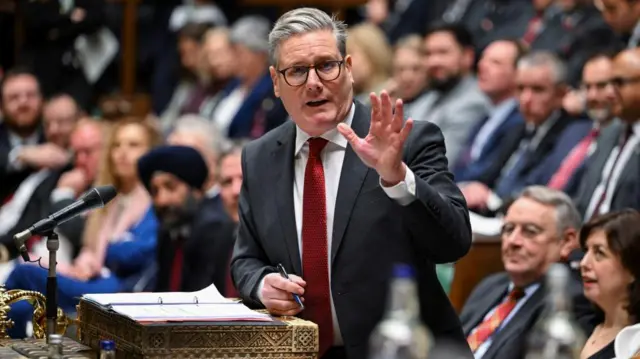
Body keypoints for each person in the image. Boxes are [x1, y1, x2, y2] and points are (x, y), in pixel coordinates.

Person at [230, 7, 472, 359]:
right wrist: (262, 285)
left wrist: (397, 177)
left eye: (326, 65)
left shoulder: (407, 140)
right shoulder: (259, 157)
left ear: (349, 69)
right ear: (276, 82)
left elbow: (454, 243)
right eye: (297, 71)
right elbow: (246, 260)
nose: (313, 82)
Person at [138, 145, 236, 294]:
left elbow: (203, 297)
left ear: (194, 190)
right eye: (155, 191)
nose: (161, 200)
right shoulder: (166, 233)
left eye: (170, 187)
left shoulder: (214, 229)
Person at [579, 210, 640, 359]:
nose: (584, 263)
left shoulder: (635, 345)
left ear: (632, 268)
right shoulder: (578, 324)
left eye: (599, 253)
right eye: (586, 251)